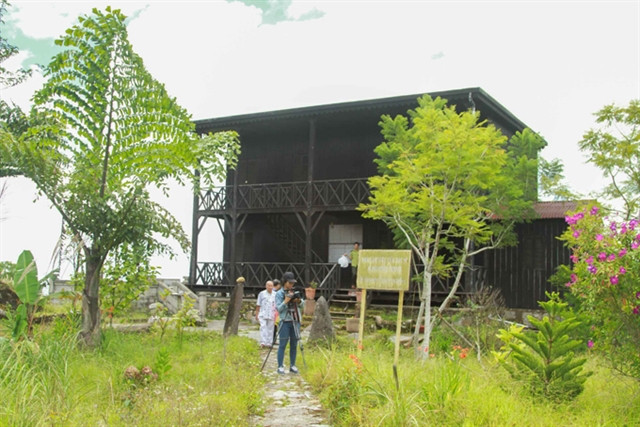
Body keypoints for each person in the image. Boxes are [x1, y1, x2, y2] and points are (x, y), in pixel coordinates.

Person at [275, 271, 304, 374]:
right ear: (284, 282)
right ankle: (280, 366)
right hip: (285, 321)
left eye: (292, 283)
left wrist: (299, 301)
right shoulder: (279, 293)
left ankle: (293, 365)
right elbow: (278, 309)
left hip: (295, 320)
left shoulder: (294, 291)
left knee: (294, 344)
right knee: (282, 343)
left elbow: (302, 305)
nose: (291, 285)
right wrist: (286, 301)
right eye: (289, 283)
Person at [255, 280, 276, 348]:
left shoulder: (275, 294)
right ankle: (263, 342)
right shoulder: (262, 293)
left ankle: (269, 343)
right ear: (266, 286)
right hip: (263, 313)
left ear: (273, 286)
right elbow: (258, 304)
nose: (270, 287)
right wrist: (257, 313)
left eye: (271, 286)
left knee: (270, 328)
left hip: (271, 313)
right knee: (263, 327)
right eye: (268, 285)